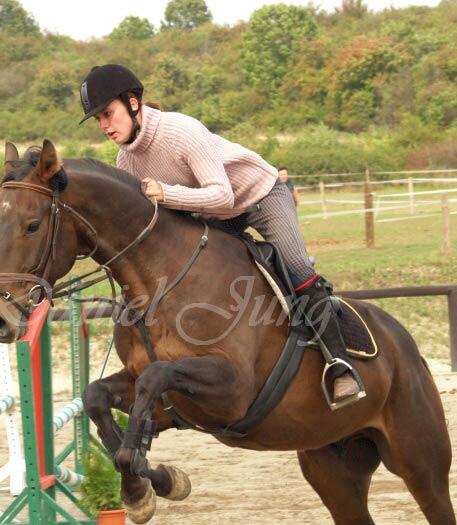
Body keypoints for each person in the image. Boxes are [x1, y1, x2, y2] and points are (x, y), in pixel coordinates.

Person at [78, 64, 363, 406]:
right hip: (215, 215)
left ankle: (340, 365)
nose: (104, 126)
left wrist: (166, 194)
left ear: (133, 103)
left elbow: (223, 195)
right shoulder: (126, 162)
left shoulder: (180, 130)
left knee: (297, 266)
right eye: (99, 119)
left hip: (260, 196)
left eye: (108, 113)